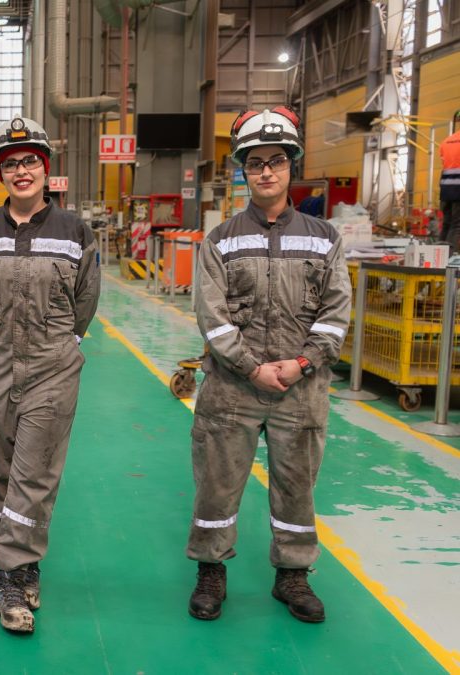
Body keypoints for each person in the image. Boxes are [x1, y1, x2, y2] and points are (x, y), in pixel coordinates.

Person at [186, 106, 351, 623]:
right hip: (232, 390)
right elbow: (210, 316)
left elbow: (336, 311)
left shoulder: (325, 237)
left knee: (297, 484)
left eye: (275, 161)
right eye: (254, 163)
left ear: (291, 166)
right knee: (217, 483)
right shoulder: (221, 239)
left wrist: (303, 362)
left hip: (301, 388)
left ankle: (293, 576)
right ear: (243, 170)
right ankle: (211, 570)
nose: (265, 172)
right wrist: (251, 366)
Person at [0, 117, 99, 634]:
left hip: (52, 364)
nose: (22, 171)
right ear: (1, 172)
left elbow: (85, 300)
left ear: (46, 169)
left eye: (30, 161)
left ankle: (10, 575)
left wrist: (62, 344)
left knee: (35, 471)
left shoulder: (74, 231)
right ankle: (21, 562)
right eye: (12, 163)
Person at [438, 110, 460, 252]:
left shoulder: (446, 141)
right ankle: (451, 261)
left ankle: (438, 255)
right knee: (458, 225)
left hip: (446, 188)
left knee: (447, 223)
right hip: (459, 189)